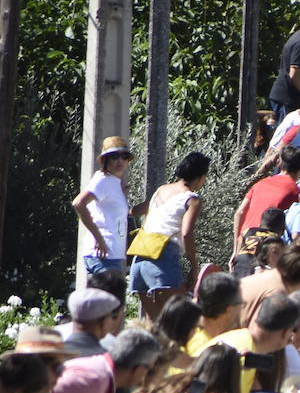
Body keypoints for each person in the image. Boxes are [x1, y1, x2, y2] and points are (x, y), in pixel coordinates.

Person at [130, 151, 210, 320]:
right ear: (201, 177)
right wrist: (194, 266)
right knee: (181, 319)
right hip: (163, 256)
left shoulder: (162, 190)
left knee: (157, 324)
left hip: (139, 257)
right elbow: (187, 233)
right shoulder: (192, 199)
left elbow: (136, 210)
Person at [73, 135, 145, 277]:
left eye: (124, 156)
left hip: (111, 255)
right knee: (109, 298)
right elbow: (78, 203)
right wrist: (99, 238)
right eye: (114, 156)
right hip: (104, 255)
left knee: (106, 299)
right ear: (105, 160)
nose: (120, 160)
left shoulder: (114, 182)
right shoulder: (103, 180)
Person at [232, 145, 300, 252]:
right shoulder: (297, 194)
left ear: (280, 164)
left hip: (245, 245)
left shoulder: (260, 184)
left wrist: (235, 250)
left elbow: (239, 213)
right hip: (266, 251)